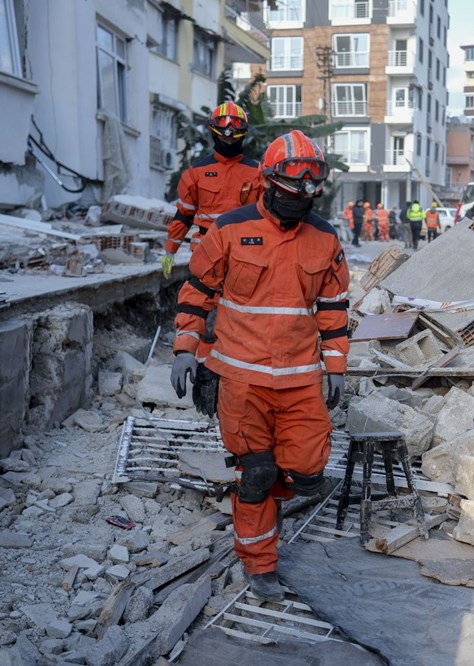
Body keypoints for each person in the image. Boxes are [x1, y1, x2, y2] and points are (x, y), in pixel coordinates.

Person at [170, 130, 349, 603]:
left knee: (308, 470)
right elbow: (196, 292)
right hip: (241, 378)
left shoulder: (325, 238)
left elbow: (333, 308)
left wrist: (336, 367)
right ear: (269, 179)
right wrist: (186, 348)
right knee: (255, 474)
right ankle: (260, 563)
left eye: (313, 182)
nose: (304, 192)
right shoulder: (230, 229)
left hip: (300, 379)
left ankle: (280, 491)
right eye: (295, 180)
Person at [163, 101, 262, 279]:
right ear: (215, 134)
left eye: (233, 138)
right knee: (199, 295)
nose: (229, 141)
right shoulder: (196, 172)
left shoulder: (258, 173)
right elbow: (184, 215)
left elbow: (268, 218)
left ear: (243, 135)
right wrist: (170, 250)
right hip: (206, 250)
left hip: (246, 252)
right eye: (225, 137)